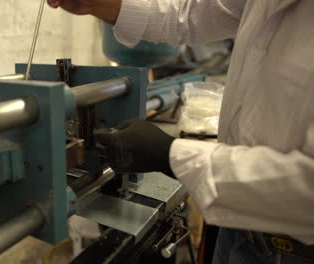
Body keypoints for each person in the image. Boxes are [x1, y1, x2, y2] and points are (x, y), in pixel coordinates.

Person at [48, 0, 314, 263]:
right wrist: (100, 4)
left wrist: (171, 155)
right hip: (236, 229)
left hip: (292, 248)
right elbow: (191, 13)